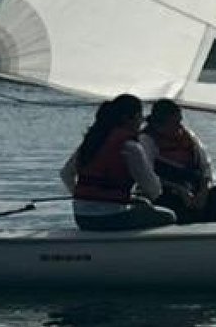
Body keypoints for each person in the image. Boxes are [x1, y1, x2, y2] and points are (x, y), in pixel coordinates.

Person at [63, 94, 174, 233]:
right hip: (110, 217)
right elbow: (154, 190)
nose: (142, 122)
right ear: (128, 119)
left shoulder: (92, 141)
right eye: (140, 117)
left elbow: (66, 174)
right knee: (168, 216)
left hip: (81, 217)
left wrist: (83, 196)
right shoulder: (130, 147)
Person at [143, 98, 216, 225]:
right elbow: (146, 176)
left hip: (195, 192)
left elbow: (205, 167)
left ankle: (208, 228)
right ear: (160, 123)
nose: (179, 126)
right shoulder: (146, 140)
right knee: (172, 204)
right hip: (168, 193)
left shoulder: (188, 137)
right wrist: (180, 190)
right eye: (174, 123)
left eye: (179, 121)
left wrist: (203, 192)